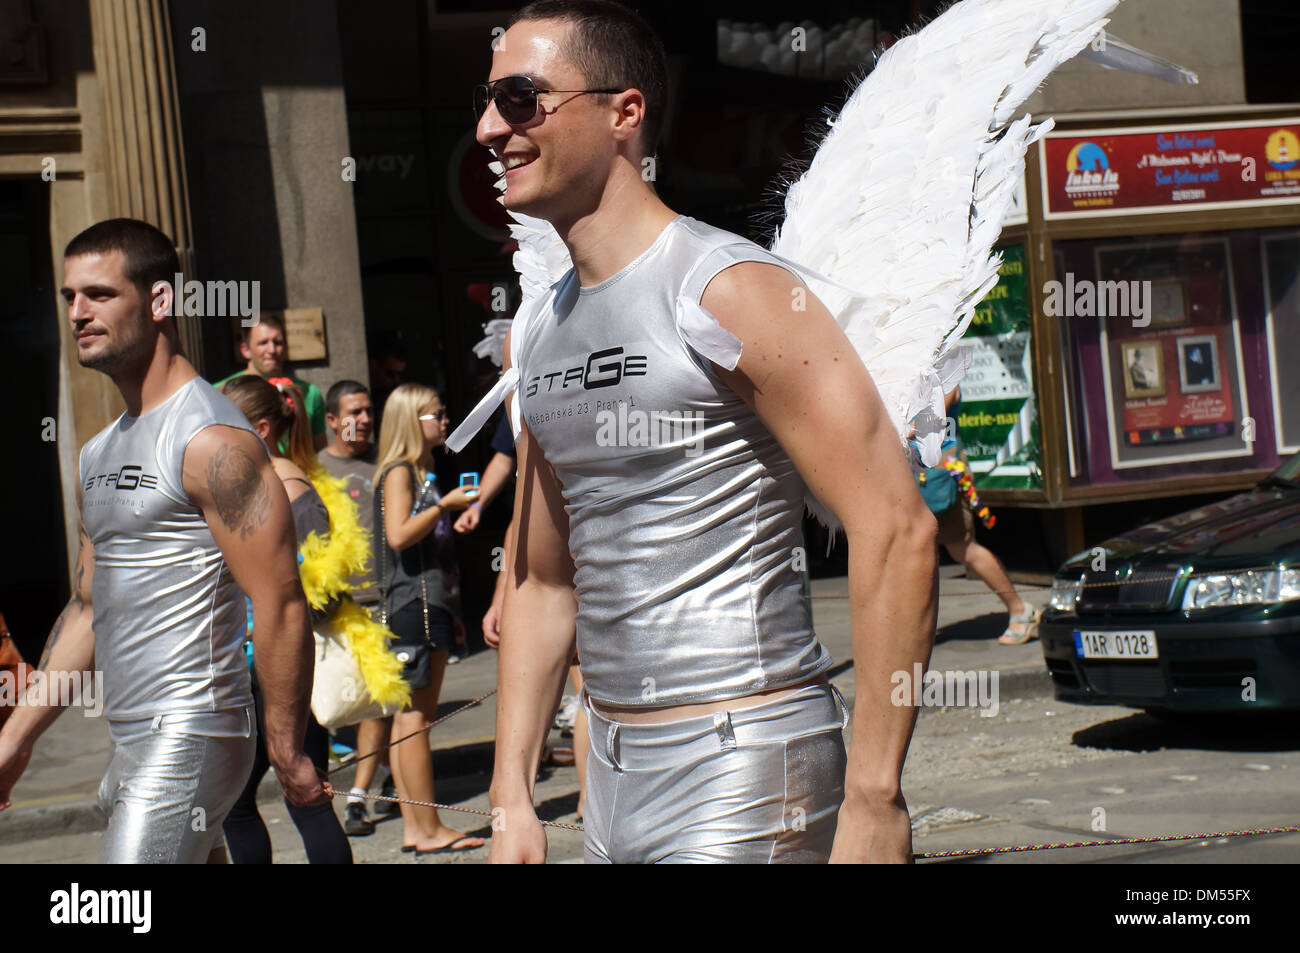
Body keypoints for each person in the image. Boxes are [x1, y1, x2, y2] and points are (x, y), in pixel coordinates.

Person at [478, 2, 937, 864]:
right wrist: (510, 798)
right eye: (489, 100)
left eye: (519, 98)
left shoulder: (728, 287)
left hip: (749, 760)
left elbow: (896, 527)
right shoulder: (539, 328)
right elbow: (543, 581)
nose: (489, 127)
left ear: (625, 113)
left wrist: (874, 799)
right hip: (608, 774)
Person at [0, 218, 326, 863]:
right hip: (129, 735)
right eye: (69, 297)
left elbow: (281, 601)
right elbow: (91, 607)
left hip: (195, 729)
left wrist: (286, 748)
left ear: (158, 301)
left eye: (99, 293)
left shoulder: (213, 441)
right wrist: (17, 738)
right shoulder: (98, 452)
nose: (78, 312)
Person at [219, 376, 353, 864]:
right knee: (291, 794)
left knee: (285, 796)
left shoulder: (287, 485)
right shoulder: (248, 482)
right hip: (252, 659)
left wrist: (265, 621)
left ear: (259, 426)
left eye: (225, 424)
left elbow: (323, 588)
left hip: (277, 660)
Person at [373, 383, 485, 853]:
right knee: (416, 721)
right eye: (436, 414)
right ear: (411, 421)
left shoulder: (419, 470)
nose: (445, 421)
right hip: (412, 605)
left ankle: (417, 828)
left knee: (407, 721)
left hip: (424, 603)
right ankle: (430, 828)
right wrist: (445, 505)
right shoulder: (402, 471)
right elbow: (399, 535)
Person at [316, 379, 396, 835]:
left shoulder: (387, 465)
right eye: (354, 412)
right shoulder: (313, 470)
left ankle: (359, 797)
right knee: (326, 702)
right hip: (329, 607)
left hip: (382, 599)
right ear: (331, 420)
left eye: (369, 411)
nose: (364, 419)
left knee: (378, 703)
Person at [924, 386, 1041, 645]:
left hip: (943, 468)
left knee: (963, 548)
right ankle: (919, 628)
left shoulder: (941, 364)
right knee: (920, 550)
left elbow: (938, 407)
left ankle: (1021, 610)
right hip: (919, 469)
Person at [214, 312, 328, 450]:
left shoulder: (310, 393)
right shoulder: (220, 392)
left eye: (278, 342)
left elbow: (318, 453)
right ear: (245, 350)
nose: (272, 350)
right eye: (263, 343)